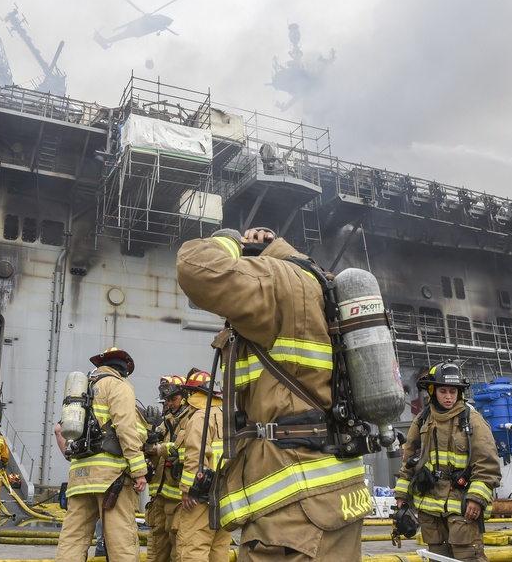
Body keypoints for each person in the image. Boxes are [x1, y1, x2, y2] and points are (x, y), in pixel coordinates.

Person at [177, 227, 372, 560]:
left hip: (295, 504)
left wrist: (229, 241)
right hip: (332, 490)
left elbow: (193, 265)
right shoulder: (319, 285)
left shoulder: (275, 280)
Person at [394, 362, 501, 562]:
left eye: (453, 391)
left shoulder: (472, 421)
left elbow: (488, 465)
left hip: (462, 506)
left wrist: (476, 498)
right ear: (433, 391)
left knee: (468, 557)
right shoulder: (423, 420)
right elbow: (409, 461)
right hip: (430, 508)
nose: (449, 396)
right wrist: (401, 495)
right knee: (437, 559)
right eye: (443, 391)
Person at [55, 347, 148, 562]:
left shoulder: (82, 390)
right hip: (111, 480)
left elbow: (60, 431)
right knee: (122, 542)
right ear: (124, 369)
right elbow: (126, 430)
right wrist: (139, 471)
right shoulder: (118, 386)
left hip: (79, 478)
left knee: (72, 540)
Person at [175, 370, 231, 562]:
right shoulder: (229, 416)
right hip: (225, 491)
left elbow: (195, 456)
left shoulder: (200, 416)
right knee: (219, 548)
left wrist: (188, 490)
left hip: (201, 494)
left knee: (193, 546)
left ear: (192, 394)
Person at [145, 375, 190, 562]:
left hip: (178, 497)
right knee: (156, 543)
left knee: (177, 544)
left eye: (173, 399)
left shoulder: (192, 419)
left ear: (185, 397)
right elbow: (151, 446)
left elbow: (187, 449)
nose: (169, 404)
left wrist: (160, 449)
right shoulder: (168, 420)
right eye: (167, 400)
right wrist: (148, 431)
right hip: (159, 495)